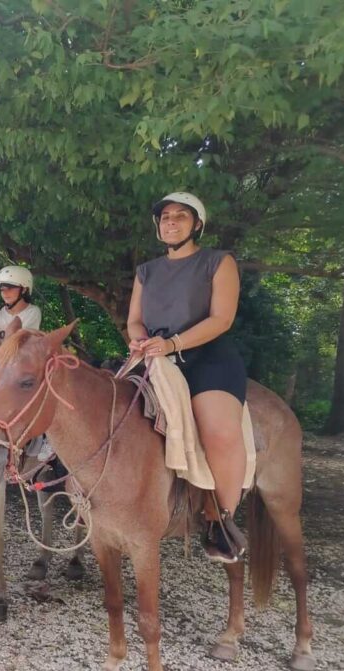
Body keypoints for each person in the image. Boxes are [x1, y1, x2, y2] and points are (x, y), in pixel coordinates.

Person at [127, 192, 248, 564]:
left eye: (180, 216)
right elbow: (134, 320)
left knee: (220, 432)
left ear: (197, 225)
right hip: (155, 357)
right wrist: (140, 341)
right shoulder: (146, 271)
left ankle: (221, 520)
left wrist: (173, 343)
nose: (171, 222)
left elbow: (221, 318)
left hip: (206, 356)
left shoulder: (218, 261)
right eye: (165, 216)